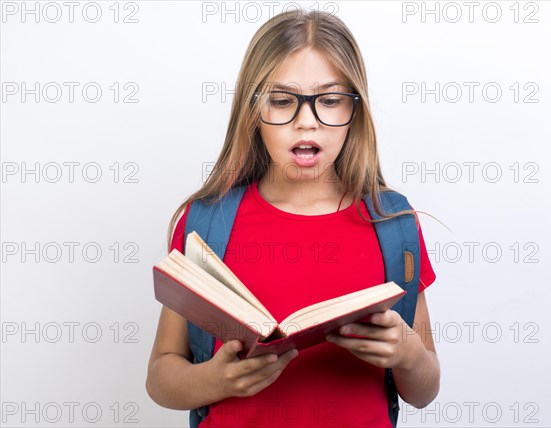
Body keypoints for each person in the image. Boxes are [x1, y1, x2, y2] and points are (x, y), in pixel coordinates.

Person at [146, 9, 440, 428]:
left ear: (354, 110)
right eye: (283, 101)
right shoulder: (206, 221)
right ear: (253, 110)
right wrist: (215, 379)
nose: (307, 121)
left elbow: (425, 390)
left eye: (331, 100)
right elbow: (161, 376)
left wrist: (408, 353)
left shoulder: (393, 223)